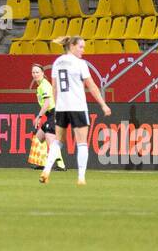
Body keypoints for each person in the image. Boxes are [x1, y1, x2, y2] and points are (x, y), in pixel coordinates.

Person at [43, 36, 112, 185]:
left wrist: (56, 106)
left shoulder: (57, 62)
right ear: (72, 46)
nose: (83, 50)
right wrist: (103, 104)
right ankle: (81, 177)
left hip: (61, 107)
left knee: (58, 141)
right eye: (81, 47)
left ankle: (47, 170)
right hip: (77, 106)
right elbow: (92, 86)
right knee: (81, 143)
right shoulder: (80, 64)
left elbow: (54, 88)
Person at [29, 64, 64, 172]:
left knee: (50, 139)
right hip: (50, 114)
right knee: (39, 137)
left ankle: (61, 165)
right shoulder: (40, 86)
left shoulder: (44, 85)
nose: (35, 74)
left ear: (43, 73)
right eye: (33, 72)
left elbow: (47, 103)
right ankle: (42, 163)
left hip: (55, 113)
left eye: (37, 72)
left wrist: (39, 116)